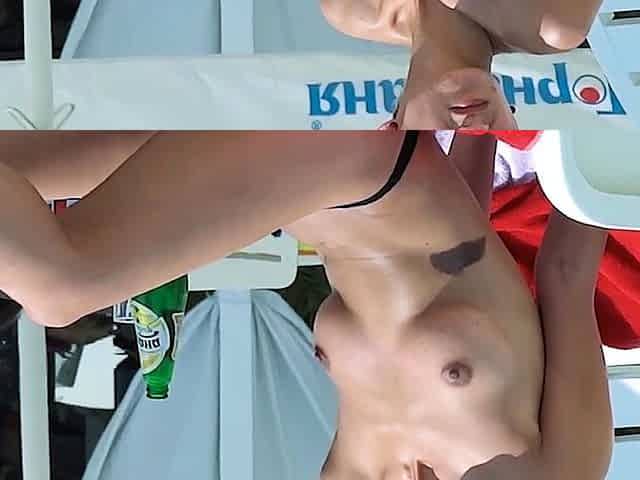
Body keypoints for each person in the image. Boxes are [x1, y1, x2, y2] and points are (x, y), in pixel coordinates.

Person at [0, 130, 617, 479]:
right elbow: (566, 277)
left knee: (20, 167)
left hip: (301, 198)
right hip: (368, 164)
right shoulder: (559, 471)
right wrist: (610, 120)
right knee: (60, 289)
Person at [320, 0, 603, 129]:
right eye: (493, 148)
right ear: (512, 116)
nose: (476, 129)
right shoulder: (554, 24)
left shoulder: (352, 9)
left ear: (392, 129)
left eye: (442, 151)